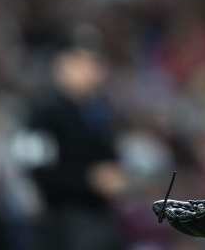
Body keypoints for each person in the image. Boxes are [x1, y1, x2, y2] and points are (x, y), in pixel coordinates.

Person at [21, 46, 127, 250]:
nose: (90, 70)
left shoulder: (99, 112)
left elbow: (110, 160)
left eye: (93, 64)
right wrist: (88, 180)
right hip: (62, 221)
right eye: (81, 64)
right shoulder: (42, 114)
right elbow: (35, 169)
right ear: (62, 67)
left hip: (101, 216)